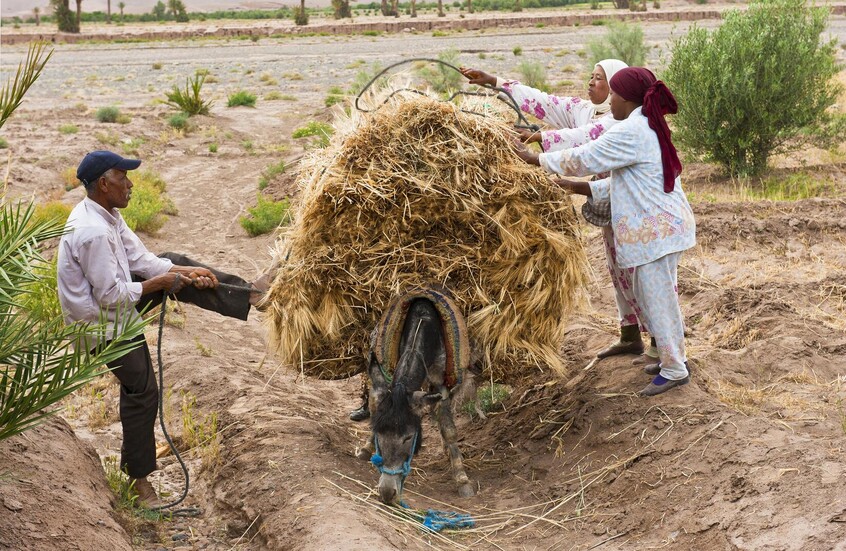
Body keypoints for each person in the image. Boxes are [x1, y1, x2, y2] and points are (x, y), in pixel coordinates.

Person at [57, 150, 267, 508]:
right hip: (102, 325)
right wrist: (163, 283)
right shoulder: (91, 232)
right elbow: (111, 297)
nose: (131, 184)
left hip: (116, 306)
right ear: (104, 184)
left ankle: (250, 296)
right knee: (142, 391)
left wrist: (183, 275)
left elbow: (142, 261)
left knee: (179, 263)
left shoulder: (108, 214)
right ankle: (140, 486)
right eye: (124, 178)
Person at [459, 59, 659, 365]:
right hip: (608, 199)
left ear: (621, 87)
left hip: (633, 204)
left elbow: (586, 141)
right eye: (592, 77)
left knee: (641, 272)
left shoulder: (623, 122)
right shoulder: (587, 111)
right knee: (617, 266)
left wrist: (538, 143)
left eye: (600, 79)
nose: (591, 83)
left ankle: (660, 341)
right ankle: (630, 333)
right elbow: (545, 102)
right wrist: (495, 81)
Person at [512, 67, 695, 397]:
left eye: (613, 95)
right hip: (664, 228)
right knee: (657, 297)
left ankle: (674, 369)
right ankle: (674, 357)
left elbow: (588, 156)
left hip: (657, 232)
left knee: (657, 298)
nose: (609, 100)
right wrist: (578, 187)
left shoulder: (633, 130)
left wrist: (537, 159)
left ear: (626, 98)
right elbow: (627, 183)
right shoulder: (644, 124)